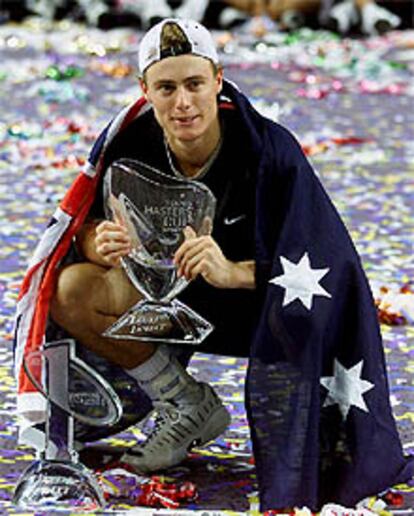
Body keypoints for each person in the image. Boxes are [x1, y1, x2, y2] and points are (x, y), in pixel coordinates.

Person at [15, 18, 413, 512]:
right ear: (145, 90)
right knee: (73, 288)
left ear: (218, 81)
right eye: (166, 87)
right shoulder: (129, 144)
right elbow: (86, 232)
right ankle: (185, 402)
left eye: (193, 84)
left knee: (309, 310)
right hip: (167, 298)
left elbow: (329, 266)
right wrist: (102, 241)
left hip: (259, 305)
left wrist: (234, 271)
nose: (182, 103)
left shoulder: (268, 149)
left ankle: (301, 449)